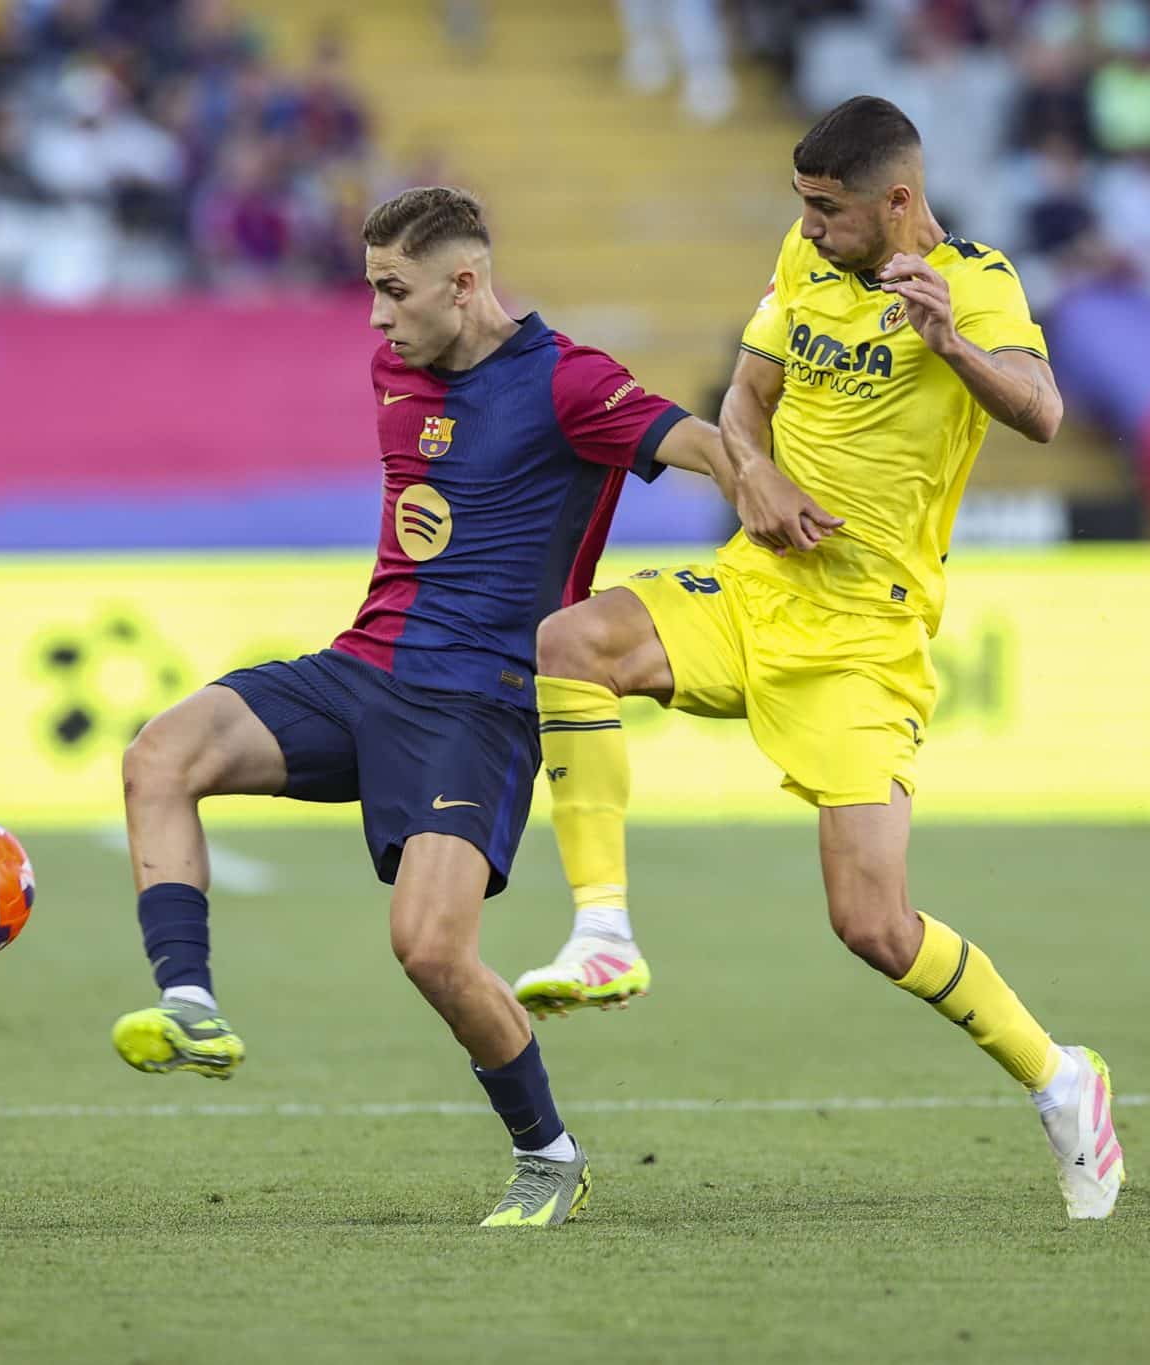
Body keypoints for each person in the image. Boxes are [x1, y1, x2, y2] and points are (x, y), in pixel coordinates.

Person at [513, 96, 1126, 1220]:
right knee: (570, 640)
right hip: (754, 587)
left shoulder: (976, 280)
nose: (806, 225)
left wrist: (947, 340)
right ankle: (602, 931)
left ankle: (1058, 1079)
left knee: (871, 924)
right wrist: (753, 478)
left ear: (896, 202)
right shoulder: (800, 261)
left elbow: (1039, 412)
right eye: (801, 205)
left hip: (862, 634)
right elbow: (743, 402)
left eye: (826, 208)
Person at [111, 186, 754, 1226]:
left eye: (391, 290)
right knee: (159, 756)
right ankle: (189, 1005)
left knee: (429, 950)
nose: (374, 317)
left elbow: (698, 445)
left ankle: (547, 1153)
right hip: (362, 672)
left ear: (464, 284)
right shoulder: (395, 366)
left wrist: (764, 489)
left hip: (477, 709)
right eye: (371, 290)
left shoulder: (568, 383)